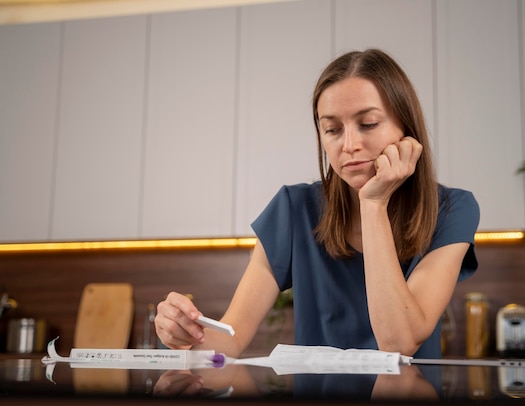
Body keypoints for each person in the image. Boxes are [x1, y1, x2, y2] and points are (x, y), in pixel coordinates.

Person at [155, 48, 479, 362]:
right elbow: (231, 341)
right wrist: (184, 335)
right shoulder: (294, 210)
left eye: (368, 124)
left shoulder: (451, 210)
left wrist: (374, 203)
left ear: (406, 129)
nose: (349, 145)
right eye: (332, 129)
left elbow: (399, 342)